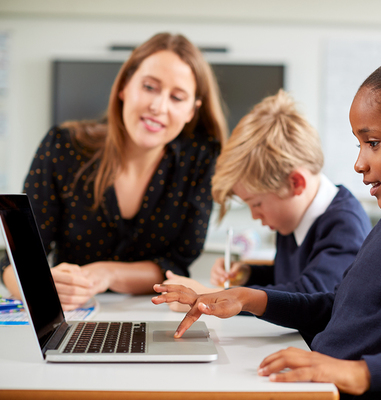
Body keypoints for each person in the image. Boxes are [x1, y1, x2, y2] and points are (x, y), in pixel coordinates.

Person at [152, 52, 381, 399]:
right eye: (359, 145)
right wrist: (248, 297)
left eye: (372, 142)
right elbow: (343, 309)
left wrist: (359, 373)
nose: (359, 163)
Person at [0, 32, 227, 310]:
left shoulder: (200, 161)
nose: (158, 106)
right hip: (77, 315)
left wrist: (106, 273)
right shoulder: (63, 146)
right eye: (149, 87)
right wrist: (38, 285)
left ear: (192, 110)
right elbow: (15, 258)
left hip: (155, 315)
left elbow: (175, 264)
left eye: (177, 97)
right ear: (124, 87)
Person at [162, 90, 372, 308]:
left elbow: (309, 295)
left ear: (295, 184)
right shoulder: (293, 216)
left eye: (257, 203)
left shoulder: (344, 226)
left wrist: (212, 295)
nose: (255, 215)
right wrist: (249, 275)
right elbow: (289, 280)